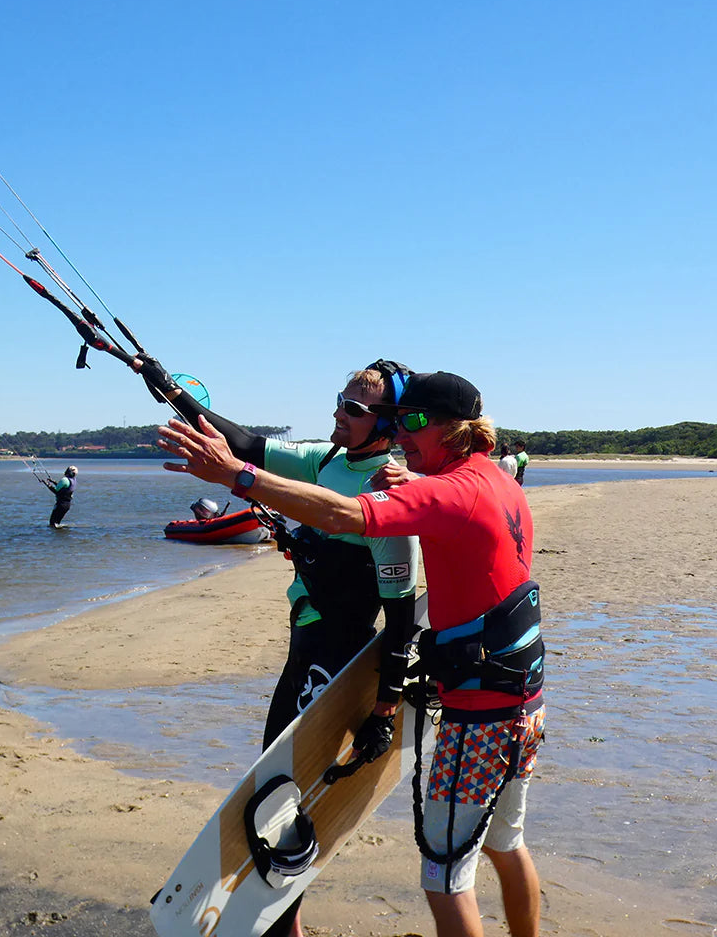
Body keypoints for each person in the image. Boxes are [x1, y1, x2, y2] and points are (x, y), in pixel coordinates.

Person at [156, 370, 545, 937]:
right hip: (526, 703)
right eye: (396, 421)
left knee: (445, 876)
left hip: (480, 718)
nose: (401, 434)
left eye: (412, 422)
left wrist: (237, 476)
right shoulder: (497, 477)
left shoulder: (448, 492)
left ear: (455, 429)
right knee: (507, 845)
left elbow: (342, 515)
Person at [137, 355, 419, 937]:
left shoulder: (389, 490)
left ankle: (284, 923)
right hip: (303, 647)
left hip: (337, 656)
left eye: (354, 408)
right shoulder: (326, 459)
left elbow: (401, 617)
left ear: (389, 426)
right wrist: (168, 388)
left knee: (289, 792)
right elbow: (242, 441)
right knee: (271, 775)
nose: (338, 412)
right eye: (339, 400)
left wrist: (384, 710)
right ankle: (280, 922)